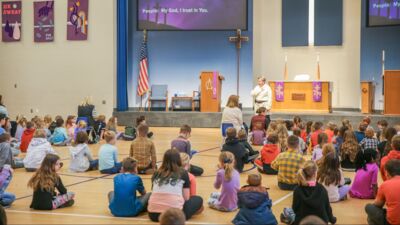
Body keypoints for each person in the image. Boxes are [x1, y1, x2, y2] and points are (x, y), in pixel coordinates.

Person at [147, 149, 203, 222]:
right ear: (178, 160)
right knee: (198, 199)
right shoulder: (182, 172)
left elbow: (154, 191)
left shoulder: (156, 173)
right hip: (175, 216)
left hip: (153, 215)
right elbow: (186, 198)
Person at [282, 160, 336, 225]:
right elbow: (328, 209)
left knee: (288, 211)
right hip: (320, 222)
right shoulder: (322, 189)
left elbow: (295, 209)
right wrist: (332, 220)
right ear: (315, 173)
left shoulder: (297, 190)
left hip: (302, 222)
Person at [365, 159, 400, 225]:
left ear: (386, 173)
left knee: (369, 207)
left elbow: (377, 204)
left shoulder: (385, 184)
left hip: (392, 222)